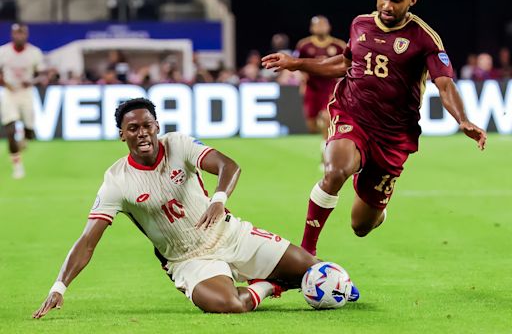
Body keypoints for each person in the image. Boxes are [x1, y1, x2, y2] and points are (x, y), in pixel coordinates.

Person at [32, 98, 358, 319]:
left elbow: (229, 166)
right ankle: (272, 285)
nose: (142, 133)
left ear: (157, 125)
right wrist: (59, 286)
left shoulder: (180, 145)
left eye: (147, 125)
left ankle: (327, 285)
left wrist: (218, 201)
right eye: (133, 129)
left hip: (229, 233)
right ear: (122, 135)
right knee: (230, 305)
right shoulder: (117, 181)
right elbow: (88, 241)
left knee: (316, 270)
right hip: (188, 259)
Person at [262, 0, 487, 256]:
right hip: (352, 114)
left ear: (412, 1)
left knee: (361, 226)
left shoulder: (424, 39)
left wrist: (464, 120)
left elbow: (444, 85)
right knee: (335, 171)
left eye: (396, 0)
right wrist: (296, 63)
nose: (386, 6)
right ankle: (306, 254)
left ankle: (376, 202)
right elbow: (344, 64)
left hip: (393, 136)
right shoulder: (360, 24)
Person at [0, 22, 45, 179]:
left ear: (26, 34)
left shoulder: (34, 53)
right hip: (9, 93)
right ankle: (17, 167)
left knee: (29, 132)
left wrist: (32, 81)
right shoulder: (3, 52)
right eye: (16, 33)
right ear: (12, 35)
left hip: (26, 93)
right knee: (10, 129)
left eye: (22, 33)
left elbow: (41, 74)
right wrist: (4, 82)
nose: (19, 36)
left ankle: (25, 138)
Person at [295, 16, 346, 141]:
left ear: (329, 27)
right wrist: (301, 79)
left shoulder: (339, 45)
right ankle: (323, 136)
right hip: (312, 88)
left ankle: (326, 146)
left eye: (323, 24)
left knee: (327, 117)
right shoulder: (304, 45)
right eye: (318, 25)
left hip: (330, 87)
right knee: (311, 125)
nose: (321, 27)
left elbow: (347, 65)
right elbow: (297, 65)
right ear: (312, 28)